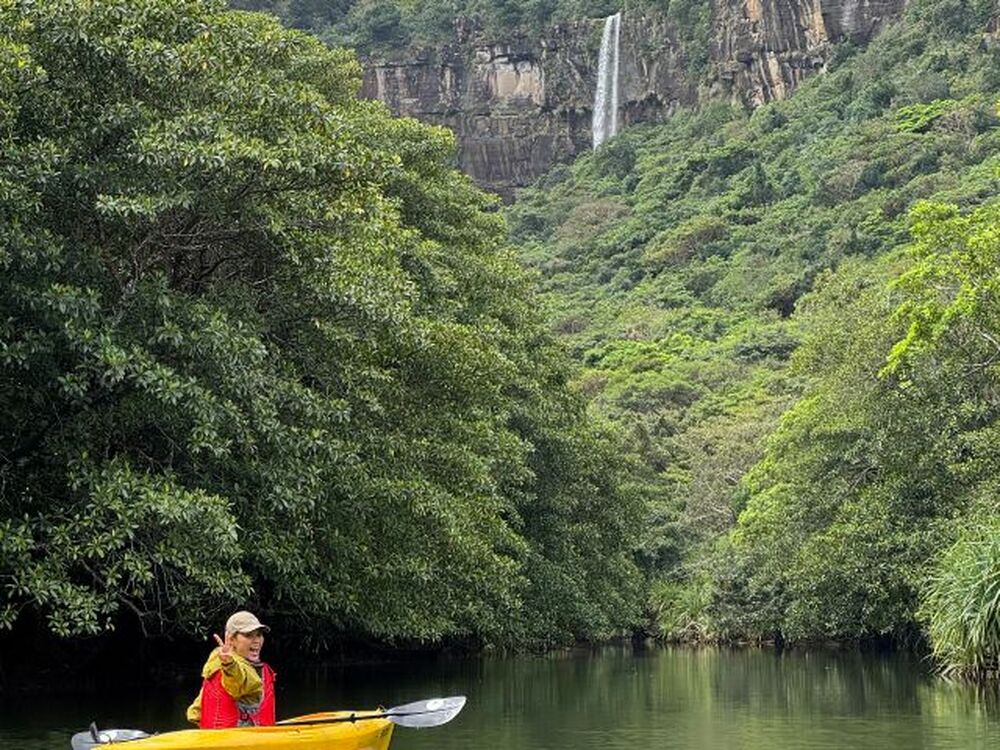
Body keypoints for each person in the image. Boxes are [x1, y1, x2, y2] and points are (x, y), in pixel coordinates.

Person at [186, 611, 276, 728]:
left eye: (259, 635)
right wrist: (229, 664)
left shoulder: (216, 661)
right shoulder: (232, 665)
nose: (256, 640)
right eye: (248, 635)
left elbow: (194, 713)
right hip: (239, 739)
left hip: (214, 737)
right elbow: (238, 681)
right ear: (231, 639)